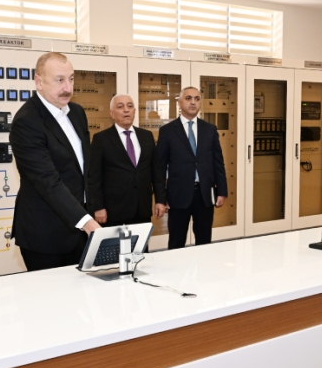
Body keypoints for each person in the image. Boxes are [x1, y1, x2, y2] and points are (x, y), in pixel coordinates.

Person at [9, 52, 100, 272]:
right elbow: (47, 181)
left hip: (79, 229)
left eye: (71, 79)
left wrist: (92, 210)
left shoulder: (76, 113)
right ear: (39, 82)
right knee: (50, 294)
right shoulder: (26, 122)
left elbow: (84, 168)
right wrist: (87, 222)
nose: (68, 87)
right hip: (45, 234)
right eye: (59, 80)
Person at [157, 86, 228, 249]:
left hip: (204, 195)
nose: (193, 102)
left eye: (197, 99)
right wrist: (161, 197)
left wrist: (222, 191)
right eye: (188, 98)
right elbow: (160, 167)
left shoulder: (210, 129)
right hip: (177, 195)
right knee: (176, 242)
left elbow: (218, 162)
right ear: (179, 103)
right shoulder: (167, 131)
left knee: (204, 241)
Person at [87, 94, 167, 227]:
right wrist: (98, 206)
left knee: (141, 241)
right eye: (120, 107)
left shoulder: (146, 136)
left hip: (142, 208)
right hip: (113, 211)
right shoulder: (101, 139)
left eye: (130, 106)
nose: (126, 110)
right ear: (112, 113)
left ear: (134, 111)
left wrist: (160, 200)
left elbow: (156, 172)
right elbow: (94, 176)